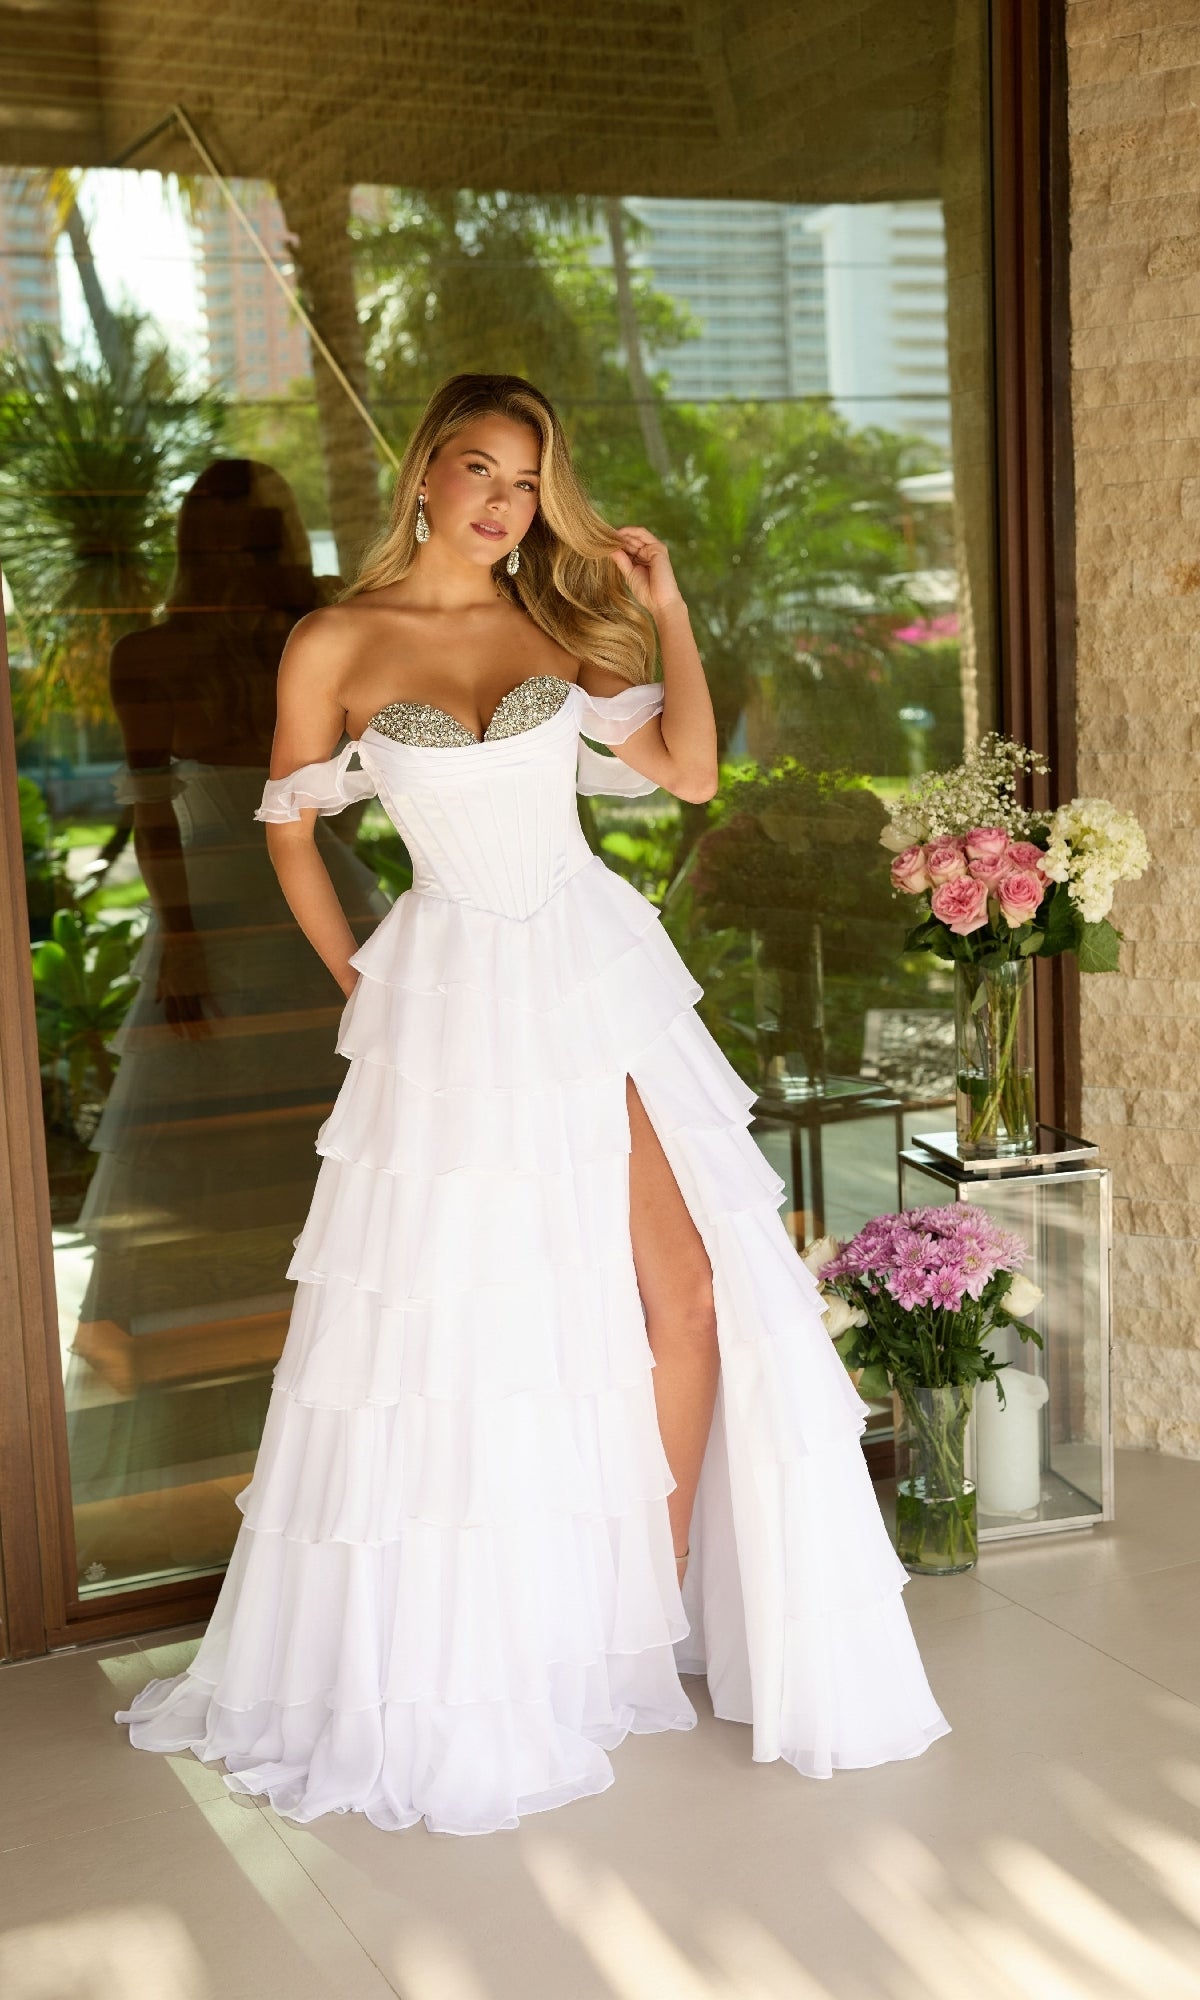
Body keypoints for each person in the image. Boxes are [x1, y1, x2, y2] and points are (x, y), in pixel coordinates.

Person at [114, 373, 950, 1835]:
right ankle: (517, 1619)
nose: (506, 503)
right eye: (483, 471)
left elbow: (689, 777)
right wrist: (359, 982)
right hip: (444, 989)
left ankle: (642, 1603)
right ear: (425, 474)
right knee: (478, 1319)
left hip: (586, 961)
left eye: (530, 480)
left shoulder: (553, 626)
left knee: (682, 1294)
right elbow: (291, 832)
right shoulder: (337, 639)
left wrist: (668, 608)